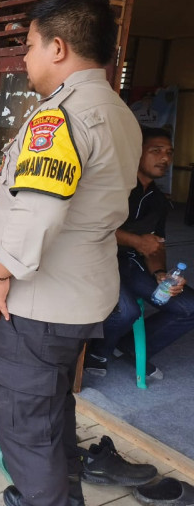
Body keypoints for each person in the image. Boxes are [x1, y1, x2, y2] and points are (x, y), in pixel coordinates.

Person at [0, 0, 142, 506]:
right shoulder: (117, 111)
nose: (25, 58)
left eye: (29, 45)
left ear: (57, 48)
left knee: (24, 423)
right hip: (80, 296)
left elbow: (39, 212)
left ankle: (45, 497)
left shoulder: (61, 116)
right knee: (50, 409)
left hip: (39, 303)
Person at [86, 126, 194, 379]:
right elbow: (90, 226)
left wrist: (160, 273)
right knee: (126, 311)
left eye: (169, 152)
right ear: (136, 152)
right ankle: (97, 351)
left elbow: (156, 244)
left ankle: (130, 347)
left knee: (189, 307)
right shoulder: (112, 187)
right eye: (156, 151)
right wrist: (136, 240)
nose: (165, 158)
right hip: (100, 261)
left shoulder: (158, 200)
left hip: (134, 265)